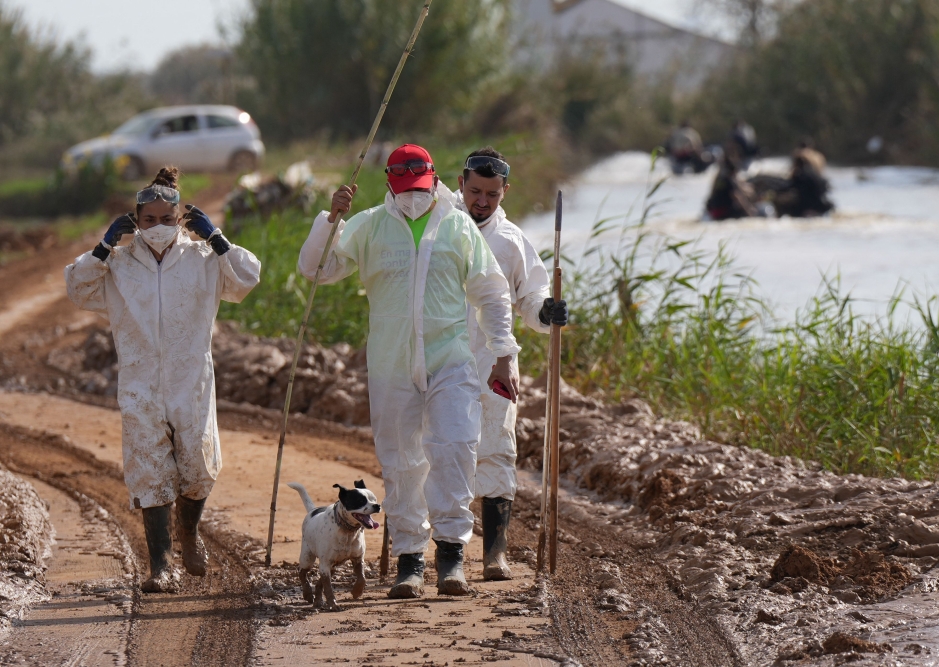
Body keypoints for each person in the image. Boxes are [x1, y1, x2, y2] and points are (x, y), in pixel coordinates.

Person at [297, 144, 519, 598]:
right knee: (401, 461)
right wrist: (331, 220)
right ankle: (410, 561)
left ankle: (451, 556)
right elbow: (315, 269)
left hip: (451, 359)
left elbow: (492, 291)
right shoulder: (370, 225)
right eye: (404, 189)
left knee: (456, 447)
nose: (413, 197)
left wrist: (503, 352)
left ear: (435, 180)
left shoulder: (457, 225)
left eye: (421, 188)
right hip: (391, 364)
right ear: (389, 185)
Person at [65, 167, 261, 593]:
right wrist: (102, 246)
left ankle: (189, 533)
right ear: (135, 222)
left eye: (166, 219)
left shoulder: (202, 260)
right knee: (149, 471)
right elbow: (77, 289)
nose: (157, 228)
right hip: (139, 382)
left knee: (198, 466)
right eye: (148, 220)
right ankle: (161, 565)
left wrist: (217, 238)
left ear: (181, 220)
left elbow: (247, 277)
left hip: (190, 380)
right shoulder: (119, 265)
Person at [445, 147, 567, 581]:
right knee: (436, 454)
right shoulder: (437, 226)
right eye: (475, 190)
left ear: (504, 191)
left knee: (496, 450)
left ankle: (495, 553)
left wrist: (545, 311)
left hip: (495, 364)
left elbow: (530, 298)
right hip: (438, 362)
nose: (482, 201)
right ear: (461, 183)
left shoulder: (512, 240)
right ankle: (436, 555)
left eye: (492, 194)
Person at [705, 152, 758, 221]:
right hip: (723, 213)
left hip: (713, 213)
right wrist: (749, 211)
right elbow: (737, 196)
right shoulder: (730, 180)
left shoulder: (719, 180)